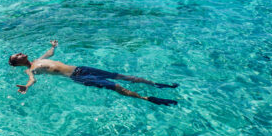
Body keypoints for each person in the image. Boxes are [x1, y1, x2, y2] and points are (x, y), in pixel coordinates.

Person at [9, 41, 179, 106]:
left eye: (18, 52)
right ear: (18, 62)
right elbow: (32, 79)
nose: (20, 53)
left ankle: (155, 84)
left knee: (120, 76)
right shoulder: (31, 69)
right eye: (17, 55)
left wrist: (53, 46)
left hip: (82, 68)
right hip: (79, 77)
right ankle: (147, 99)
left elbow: (50, 55)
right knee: (116, 86)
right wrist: (27, 86)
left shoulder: (38, 59)